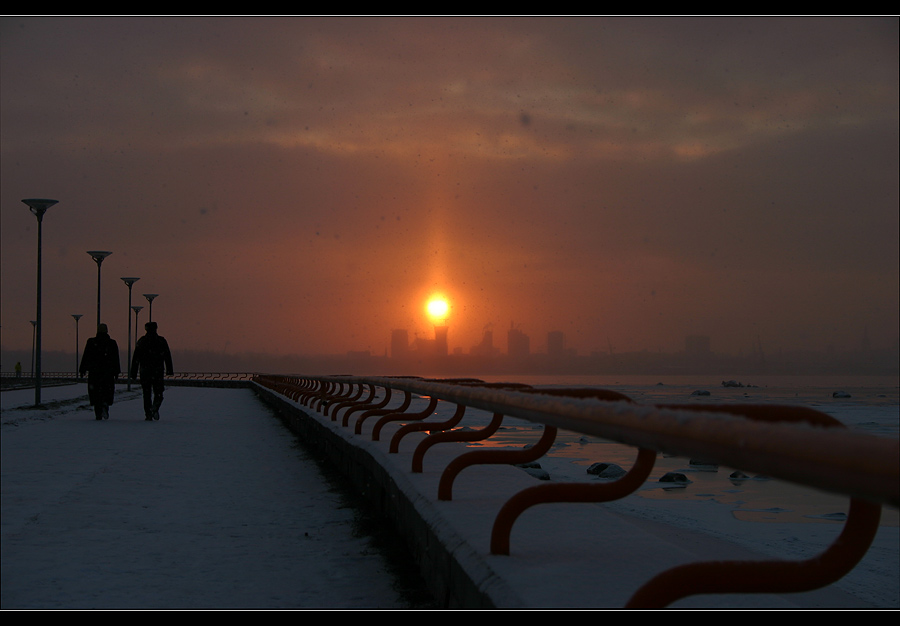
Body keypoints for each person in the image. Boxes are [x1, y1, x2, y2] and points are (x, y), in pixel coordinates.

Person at [131, 321, 173, 421]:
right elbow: (167, 356)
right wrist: (169, 370)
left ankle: (148, 413)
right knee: (159, 392)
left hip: (145, 371)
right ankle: (155, 407)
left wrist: (133, 372)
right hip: (157, 371)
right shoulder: (161, 341)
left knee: (147, 393)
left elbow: (136, 358)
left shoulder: (142, 341)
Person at [79, 324, 121, 420]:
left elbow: (86, 356)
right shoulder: (112, 343)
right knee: (107, 390)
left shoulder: (91, 342)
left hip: (95, 372)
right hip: (108, 372)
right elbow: (116, 358)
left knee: (95, 392)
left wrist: (82, 369)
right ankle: (105, 404)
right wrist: (116, 372)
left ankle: (98, 412)